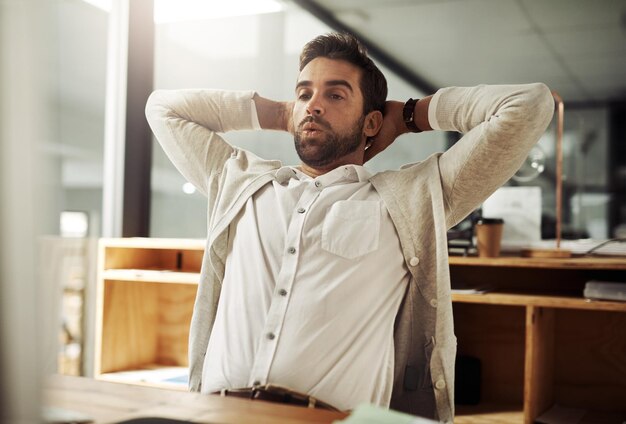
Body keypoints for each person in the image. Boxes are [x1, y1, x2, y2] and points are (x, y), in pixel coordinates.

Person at [145, 32, 554, 422]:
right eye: (304, 93)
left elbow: (528, 104)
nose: (313, 105)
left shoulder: (409, 200)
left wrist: (410, 116)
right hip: (218, 415)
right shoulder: (239, 182)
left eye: (335, 94)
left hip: (327, 419)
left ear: (372, 123)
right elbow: (162, 108)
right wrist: (279, 113)